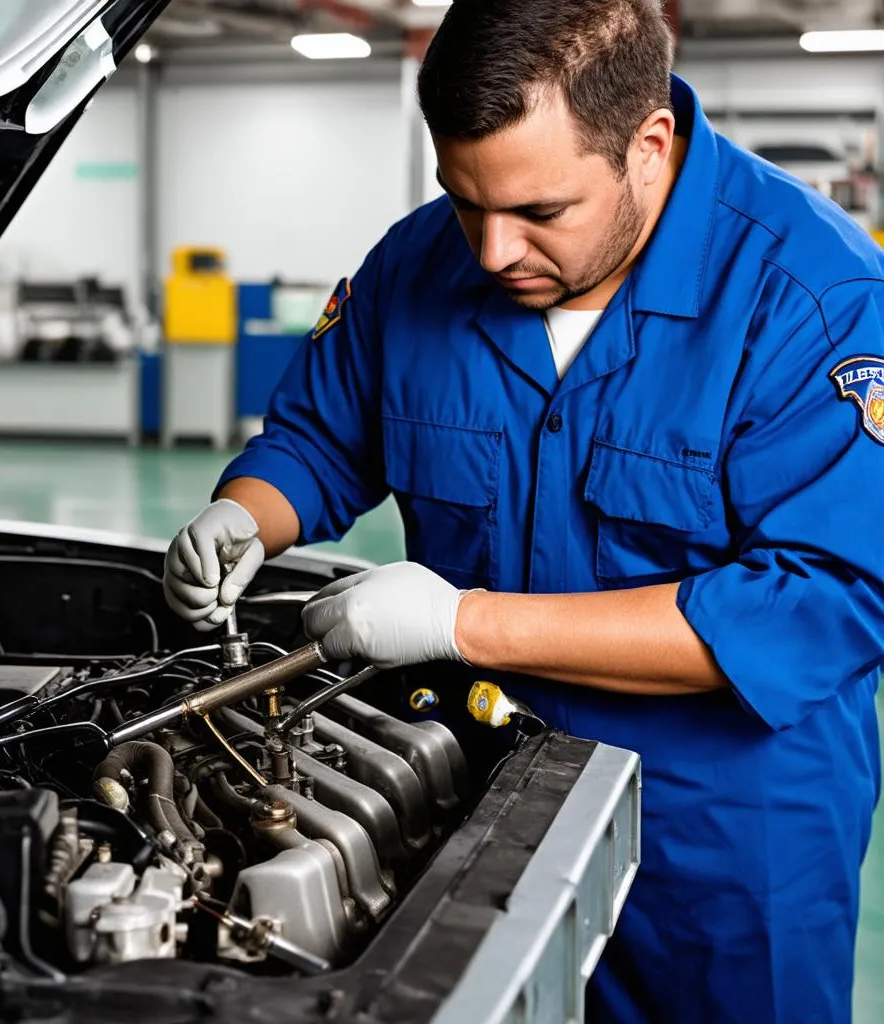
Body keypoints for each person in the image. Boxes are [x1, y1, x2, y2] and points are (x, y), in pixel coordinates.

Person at [163, 1, 884, 1020]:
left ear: (647, 145)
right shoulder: (415, 266)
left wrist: (463, 623)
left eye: (541, 213)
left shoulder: (812, 298)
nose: (493, 251)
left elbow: (819, 603)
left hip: (722, 853)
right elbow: (321, 437)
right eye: (465, 201)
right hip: (470, 805)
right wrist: (244, 516)